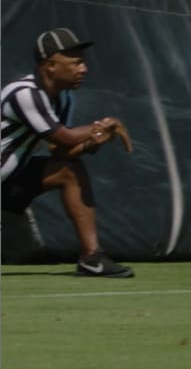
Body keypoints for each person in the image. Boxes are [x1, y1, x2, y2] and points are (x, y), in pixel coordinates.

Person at [1, 28, 135, 277]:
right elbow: (64, 136)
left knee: (69, 171)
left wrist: (93, 142)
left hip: (9, 184)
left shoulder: (64, 99)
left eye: (82, 62)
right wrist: (106, 126)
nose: (83, 69)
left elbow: (61, 150)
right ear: (50, 65)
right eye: (76, 62)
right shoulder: (24, 94)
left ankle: (91, 258)